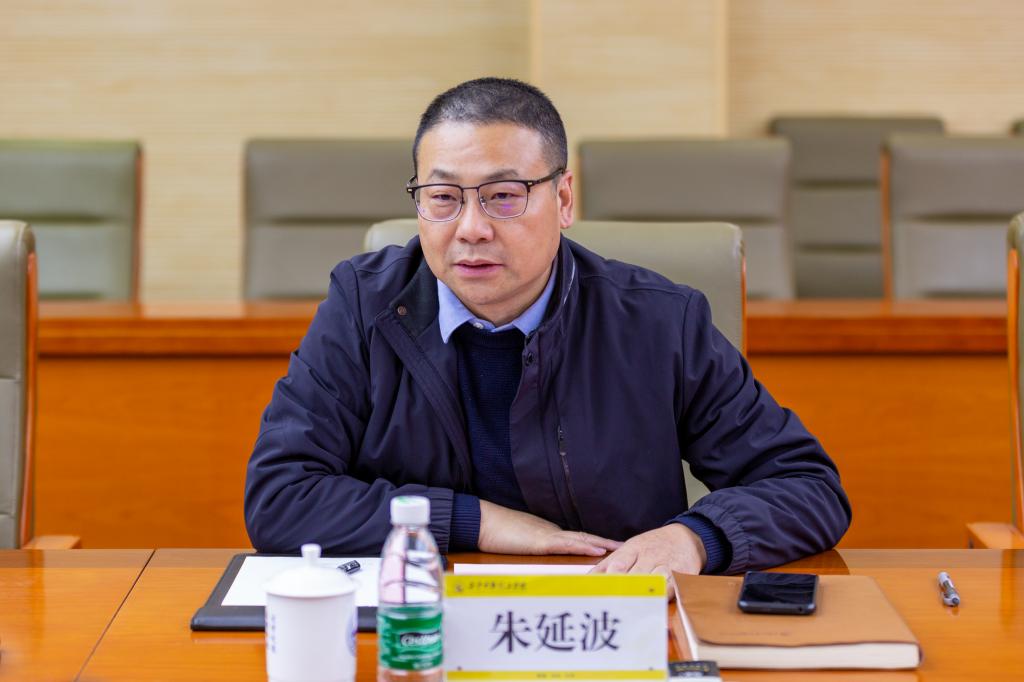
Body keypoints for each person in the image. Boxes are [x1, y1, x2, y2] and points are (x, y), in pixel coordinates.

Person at [244, 77, 851, 576]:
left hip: (609, 624)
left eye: (504, 196)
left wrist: (695, 539)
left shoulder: (660, 322)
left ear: (563, 200)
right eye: (443, 197)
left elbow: (806, 486)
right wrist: (475, 521)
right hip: (428, 627)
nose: (471, 228)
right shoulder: (364, 306)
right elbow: (279, 496)